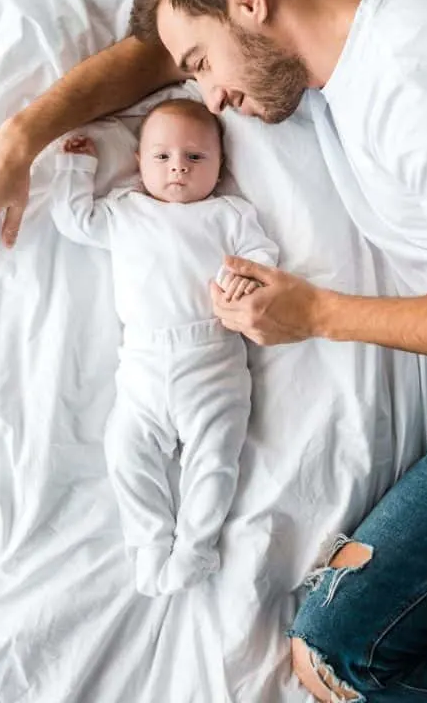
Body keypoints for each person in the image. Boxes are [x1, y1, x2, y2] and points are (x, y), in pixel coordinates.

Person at [0, 0, 427, 701]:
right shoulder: (338, 34)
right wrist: (20, 137)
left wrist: (319, 314)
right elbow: (153, 53)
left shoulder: (424, 75)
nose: (212, 99)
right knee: (330, 659)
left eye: (202, 66)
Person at [51, 97, 278, 596]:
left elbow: (263, 255)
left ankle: (196, 547)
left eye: (196, 158)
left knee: (215, 458)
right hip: (143, 365)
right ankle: (150, 542)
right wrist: (75, 166)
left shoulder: (229, 213)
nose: (178, 166)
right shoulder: (125, 211)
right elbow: (74, 220)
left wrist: (243, 279)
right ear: (139, 162)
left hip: (213, 358)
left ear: (221, 166)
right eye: (162, 157)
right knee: (124, 449)